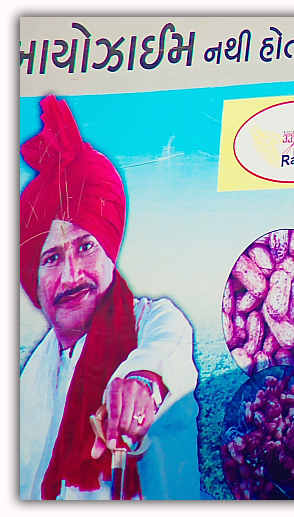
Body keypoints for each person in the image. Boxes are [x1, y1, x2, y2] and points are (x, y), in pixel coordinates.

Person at [19, 95, 199, 500]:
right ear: (33, 277)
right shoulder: (32, 374)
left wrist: (140, 382)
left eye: (85, 247)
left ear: (108, 252)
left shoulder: (152, 323)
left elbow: (164, 352)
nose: (70, 275)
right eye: (50, 258)